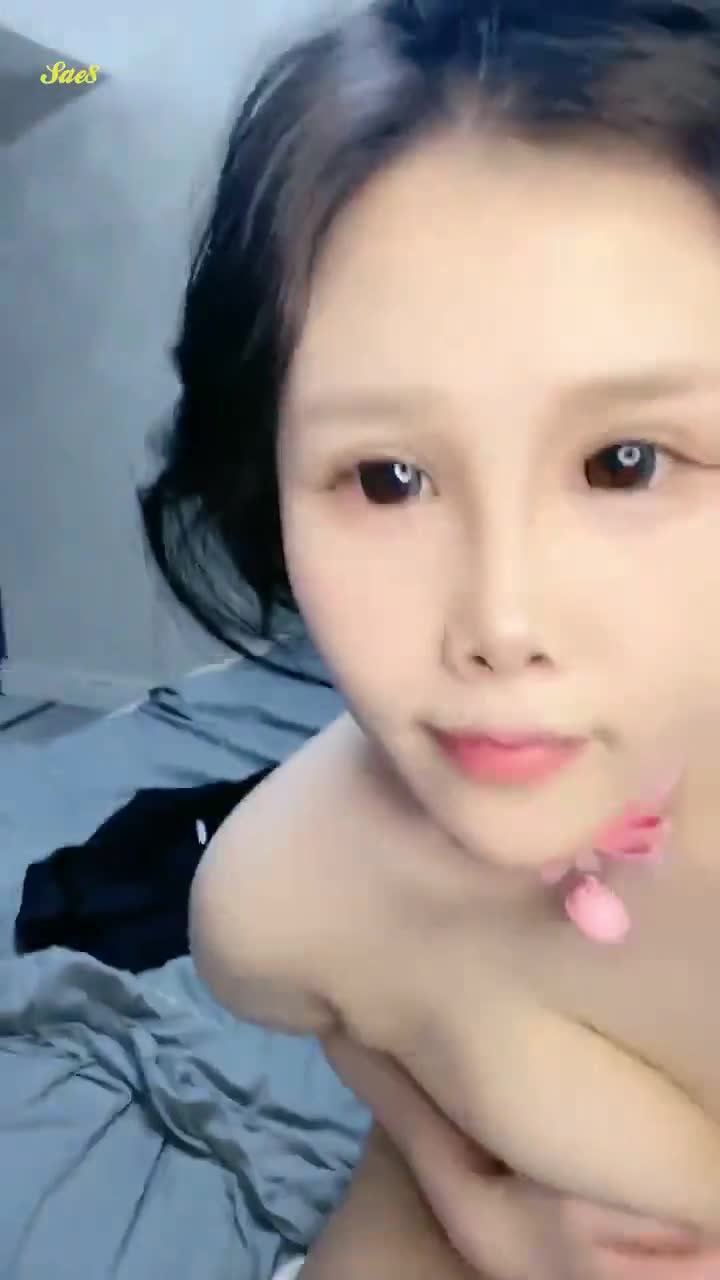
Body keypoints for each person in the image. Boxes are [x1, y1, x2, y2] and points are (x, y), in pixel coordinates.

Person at [141, 1, 720, 1275]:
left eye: (625, 463)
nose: (501, 624)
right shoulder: (283, 898)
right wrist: (485, 1203)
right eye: (388, 478)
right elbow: (341, 1014)